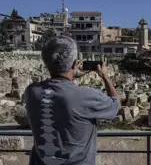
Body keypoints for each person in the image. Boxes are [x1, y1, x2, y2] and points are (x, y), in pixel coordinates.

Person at [24, 36, 120, 165]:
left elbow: (61, 91)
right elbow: (116, 104)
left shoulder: (32, 92)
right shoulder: (86, 96)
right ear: (75, 64)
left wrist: (70, 76)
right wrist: (105, 77)